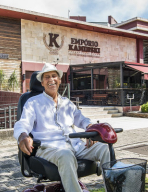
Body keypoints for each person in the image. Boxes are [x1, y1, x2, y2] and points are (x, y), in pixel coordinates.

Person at [14, 63, 110, 192]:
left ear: (59, 80)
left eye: (54, 76)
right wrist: (23, 135)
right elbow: (23, 123)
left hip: (76, 146)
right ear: (42, 82)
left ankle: (113, 188)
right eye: (47, 77)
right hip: (49, 148)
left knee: (105, 149)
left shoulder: (67, 103)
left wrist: (90, 127)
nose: (51, 79)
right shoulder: (33, 102)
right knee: (66, 154)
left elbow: (82, 119)